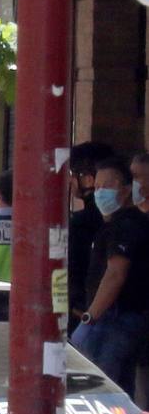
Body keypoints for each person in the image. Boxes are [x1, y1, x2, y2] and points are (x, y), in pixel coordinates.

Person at [70, 155, 149, 387]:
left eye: (107, 186)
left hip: (114, 321)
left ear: (126, 190)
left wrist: (89, 318)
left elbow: (115, 274)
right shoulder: (112, 226)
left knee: (104, 392)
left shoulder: (125, 226)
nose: (99, 192)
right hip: (113, 321)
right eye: (97, 187)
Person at [66, 142, 118, 332]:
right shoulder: (125, 220)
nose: (70, 182)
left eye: (73, 175)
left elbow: (73, 271)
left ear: (88, 179)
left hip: (85, 315)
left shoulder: (81, 223)